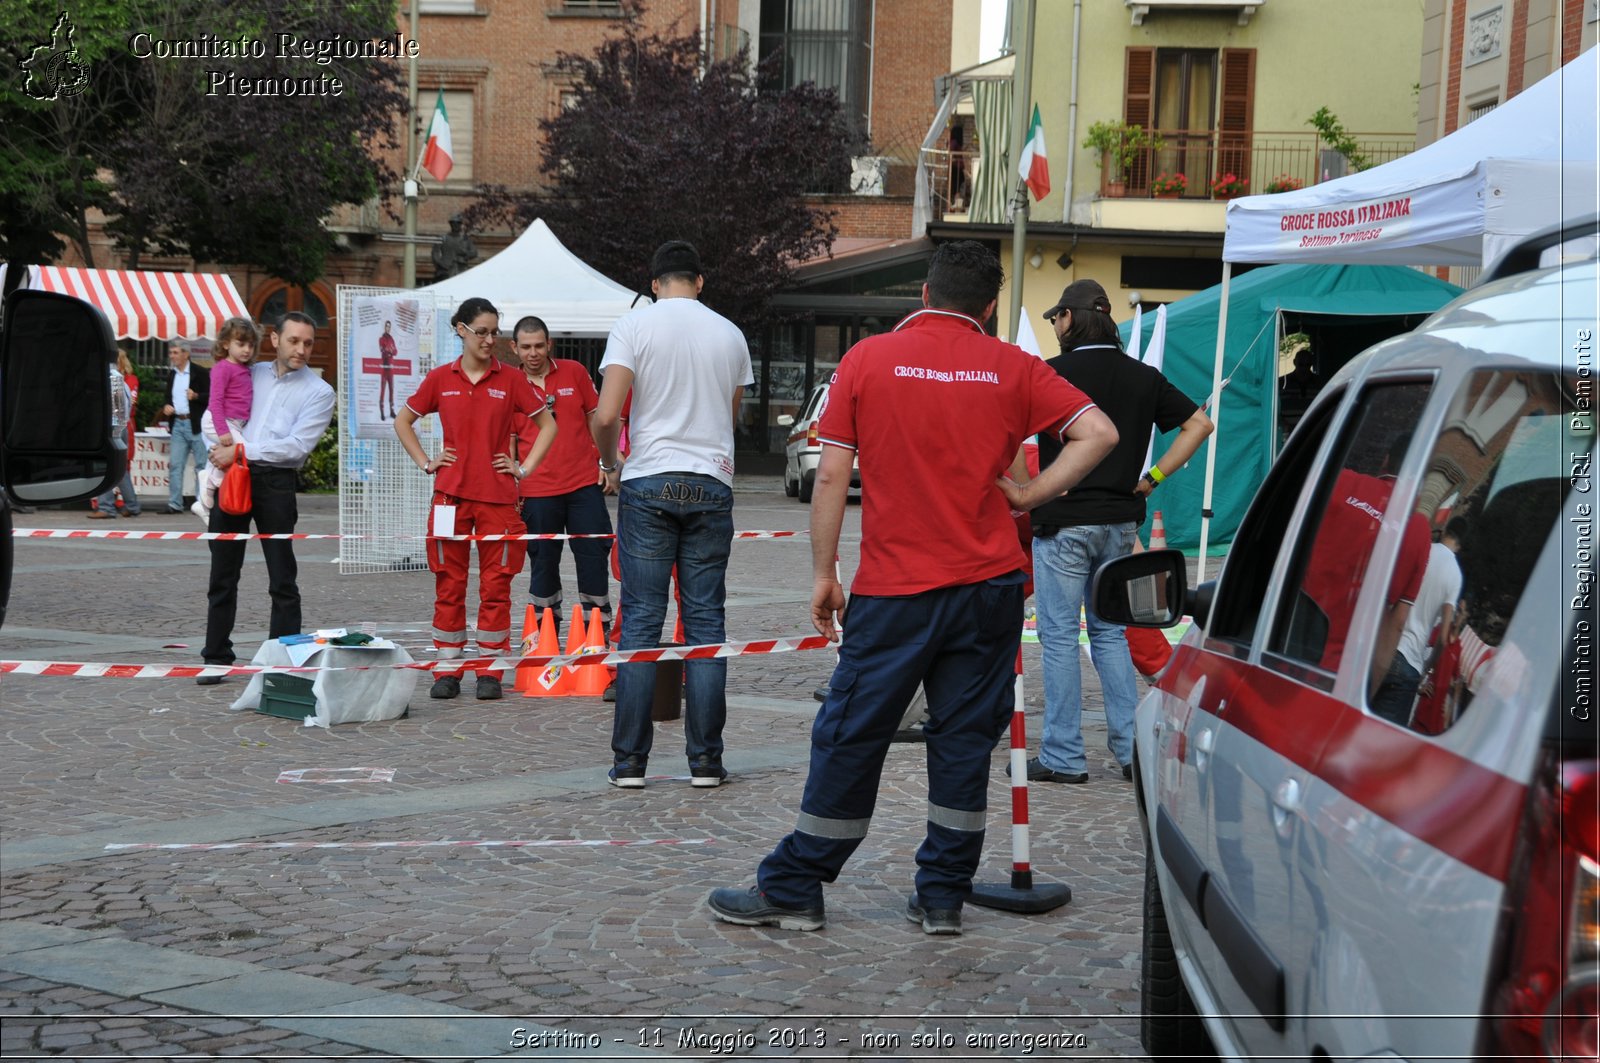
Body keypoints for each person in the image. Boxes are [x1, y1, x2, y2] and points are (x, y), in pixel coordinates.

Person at [706, 241, 1117, 934]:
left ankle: (796, 883)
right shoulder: (1015, 366)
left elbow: (832, 475)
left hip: (897, 588)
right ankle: (942, 897)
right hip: (987, 587)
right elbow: (1097, 431)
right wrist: (1026, 494)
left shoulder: (867, 359)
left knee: (851, 732)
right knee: (962, 741)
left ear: (924, 295)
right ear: (989, 305)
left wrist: (823, 572)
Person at [1022, 280, 1213, 785]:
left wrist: (1037, 486)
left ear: (1073, 317)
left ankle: (1063, 756)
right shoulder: (1143, 376)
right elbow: (1199, 425)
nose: (1054, 326)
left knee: (1060, 637)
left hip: (1063, 522)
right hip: (1118, 522)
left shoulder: (1051, 373)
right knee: (1110, 632)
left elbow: (1005, 433)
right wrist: (1151, 479)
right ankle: (1131, 752)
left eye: (1056, 317)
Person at [593, 240, 753, 789]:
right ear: (700, 281)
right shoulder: (730, 333)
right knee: (707, 623)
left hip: (649, 479)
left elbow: (607, 412)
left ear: (655, 282)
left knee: (640, 621)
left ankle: (629, 765)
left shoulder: (634, 326)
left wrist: (609, 459)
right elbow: (731, 415)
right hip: (711, 478)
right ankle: (706, 763)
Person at [394, 297, 558, 701]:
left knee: (496, 586)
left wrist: (522, 469)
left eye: (494, 331)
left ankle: (490, 669)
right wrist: (426, 462)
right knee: (448, 584)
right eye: (481, 331)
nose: (490, 339)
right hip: (449, 497)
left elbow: (548, 425)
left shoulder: (512, 379)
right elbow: (403, 420)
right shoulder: (439, 379)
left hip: (499, 501)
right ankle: (447, 669)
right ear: (461, 330)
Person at [198, 311, 335, 684]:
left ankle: (282, 660)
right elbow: (217, 410)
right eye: (294, 341)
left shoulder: (320, 392)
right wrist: (223, 446)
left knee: (282, 577)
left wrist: (240, 452)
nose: (301, 349)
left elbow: (295, 448)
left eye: (308, 343)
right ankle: (215, 657)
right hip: (233, 477)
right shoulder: (248, 371)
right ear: (275, 339)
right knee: (222, 573)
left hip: (275, 484)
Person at [511, 316, 614, 639]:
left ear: (549, 344)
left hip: (584, 483)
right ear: (514, 348)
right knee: (542, 562)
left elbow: (596, 420)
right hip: (537, 489)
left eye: (539, 345)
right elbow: (509, 440)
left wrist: (605, 464)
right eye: (526, 347)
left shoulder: (575, 372)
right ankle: (545, 634)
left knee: (594, 555)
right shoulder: (510, 384)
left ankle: (595, 632)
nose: (533, 353)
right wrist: (512, 485)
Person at [1372, 517, 1465, 724]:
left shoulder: (1426, 551)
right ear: (1461, 545)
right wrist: (1427, 669)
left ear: (1445, 530)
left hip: (1383, 646)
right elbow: (1443, 637)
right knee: (1381, 743)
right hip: (1410, 663)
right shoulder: (1455, 576)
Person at [192, 318, 259, 523]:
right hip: (218, 420)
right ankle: (208, 483)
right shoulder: (223, 368)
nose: (246, 349)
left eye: (250, 345)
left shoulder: (244, 368)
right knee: (244, 451)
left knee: (229, 460)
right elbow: (215, 401)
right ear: (226, 344)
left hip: (232, 422)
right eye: (241, 344)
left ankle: (204, 500)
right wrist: (222, 430)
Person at [89, 352, 144, 518]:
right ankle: (132, 505)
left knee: (106, 467)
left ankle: (106, 507)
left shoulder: (112, 380)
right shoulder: (120, 380)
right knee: (120, 471)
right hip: (122, 427)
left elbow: (117, 411)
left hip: (114, 428)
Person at [161, 341, 209, 514]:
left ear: (185, 354)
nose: (172, 356)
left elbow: (211, 396)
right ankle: (175, 503)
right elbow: (167, 397)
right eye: (171, 353)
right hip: (178, 424)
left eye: (175, 352)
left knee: (202, 465)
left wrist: (196, 396)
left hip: (195, 423)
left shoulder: (200, 372)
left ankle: (202, 502)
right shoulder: (172, 375)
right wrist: (167, 406)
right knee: (175, 464)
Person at [431, 215, 478, 281]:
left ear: (460, 225)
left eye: (458, 223)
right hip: (446, 270)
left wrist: (465, 253)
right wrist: (442, 264)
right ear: (451, 224)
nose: (455, 225)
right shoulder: (443, 238)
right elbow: (435, 254)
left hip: (461, 269)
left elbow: (474, 252)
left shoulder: (465, 239)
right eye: (453, 223)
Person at [377, 320, 398, 421]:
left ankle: (391, 411)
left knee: (391, 390)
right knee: (383, 390)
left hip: (391, 368)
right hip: (384, 368)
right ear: (384, 327)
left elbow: (395, 351)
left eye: (389, 327)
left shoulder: (392, 339)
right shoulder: (382, 339)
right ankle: (381, 411)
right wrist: (389, 350)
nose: (388, 328)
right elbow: (383, 350)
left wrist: (390, 350)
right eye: (386, 327)